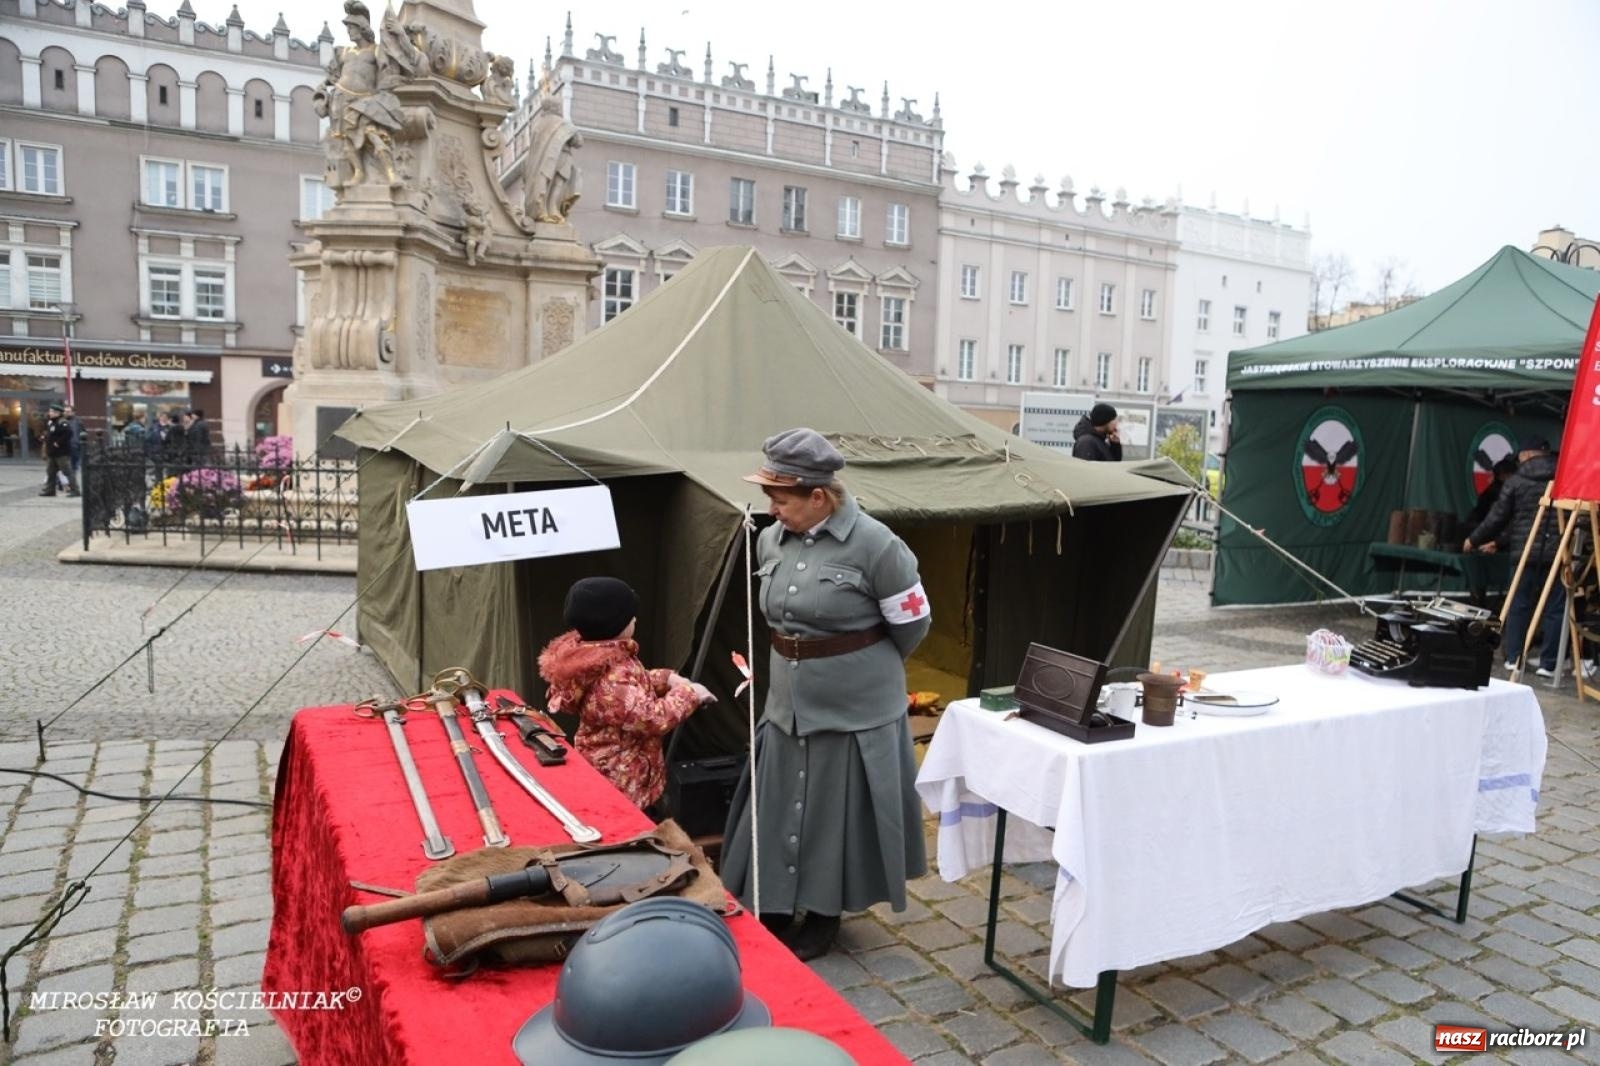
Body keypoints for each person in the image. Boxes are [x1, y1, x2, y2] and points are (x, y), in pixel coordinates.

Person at [721, 428, 932, 961]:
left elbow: (913, 624)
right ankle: (770, 902)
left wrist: (855, 669)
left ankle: (822, 913)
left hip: (855, 709)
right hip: (787, 705)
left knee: (830, 814)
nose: (771, 506)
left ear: (818, 497)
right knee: (779, 807)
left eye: (780, 497)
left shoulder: (879, 545)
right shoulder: (771, 539)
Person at [538, 577, 712, 810]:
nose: (635, 619)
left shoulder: (598, 659)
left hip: (622, 774)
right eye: (630, 616)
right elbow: (651, 718)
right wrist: (691, 693)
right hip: (620, 785)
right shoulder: (612, 677)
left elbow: (631, 688)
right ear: (614, 625)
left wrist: (666, 678)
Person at [1465, 435, 1591, 679]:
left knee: (1518, 603)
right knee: (1555, 607)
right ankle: (1549, 663)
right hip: (1559, 550)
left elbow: (1497, 518)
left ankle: (1513, 658)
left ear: (1526, 455)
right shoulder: (1566, 478)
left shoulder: (1516, 481)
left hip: (1524, 551)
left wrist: (1474, 539)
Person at [1466, 457, 1517, 547]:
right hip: (1489, 536)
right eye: (1512, 474)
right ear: (1503, 475)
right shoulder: (1498, 492)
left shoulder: (1499, 490)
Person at [38, 402, 79, 497]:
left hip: (61, 453)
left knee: (67, 471)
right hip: (52, 452)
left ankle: (75, 490)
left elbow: (68, 434)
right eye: (50, 411)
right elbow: (50, 434)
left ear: (58, 413)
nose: (50, 413)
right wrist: (44, 437)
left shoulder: (62, 422)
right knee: (50, 472)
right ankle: (50, 490)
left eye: (52, 412)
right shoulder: (51, 422)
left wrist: (58, 443)